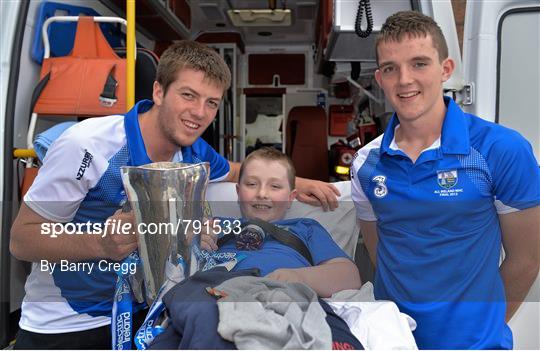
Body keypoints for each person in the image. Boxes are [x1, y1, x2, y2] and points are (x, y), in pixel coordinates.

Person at [9, 41, 340, 349]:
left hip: (152, 313)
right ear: (158, 91)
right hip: (70, 324)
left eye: (211, 103)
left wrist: (304, 181)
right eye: (188, 95)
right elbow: (21, 241)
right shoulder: (88, 146)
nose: (200, 113)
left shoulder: (195, 151)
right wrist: (99, 244)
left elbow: (237, 170)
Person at [350, 10, 540, 349]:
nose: (405, 79)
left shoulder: (501, 150)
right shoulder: (366, 163)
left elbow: (526, 259)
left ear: (446, 70)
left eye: (419, 63)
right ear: (379, 79)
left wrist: (481, 327)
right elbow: (381, 253)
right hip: (393, 342)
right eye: (391, 68)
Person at [201, 147, 361, 297]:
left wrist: (298, 277)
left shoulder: (305, 228)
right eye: (251, 184)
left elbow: (350, 277)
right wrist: (194, 241)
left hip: (283, 300)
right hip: (215, 298)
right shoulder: (215, 225)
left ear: (291, 198)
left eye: (275, 186)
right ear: (238, 192)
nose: (262, 193)